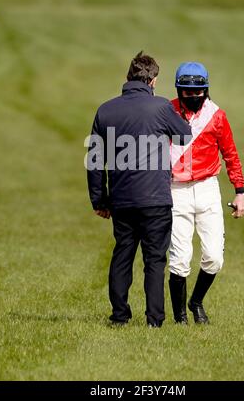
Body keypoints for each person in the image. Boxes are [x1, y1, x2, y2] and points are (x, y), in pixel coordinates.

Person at [87, 52, 191, 327]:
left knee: (123, 254)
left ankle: (119, 315)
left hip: (121, 199)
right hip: (156, 198)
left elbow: (95, 160)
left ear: (127, 78)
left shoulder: (105, 110)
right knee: (154, 260)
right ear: (153, 80)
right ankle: (154, 320)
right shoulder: (160, 107)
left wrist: (99, 199)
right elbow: (184, 134)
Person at [169, 61, 244, 324]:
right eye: (187, 93)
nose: (193, 97)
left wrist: (240, 191)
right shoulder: (167, 111)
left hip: (207, 189)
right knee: (179, 259)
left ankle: (196, 301)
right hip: (175, 190)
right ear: (179, 90)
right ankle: (180, 319)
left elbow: (231, 155)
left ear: (206, 89)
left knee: (214, 256)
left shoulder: (217, 116)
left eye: (198, 92)